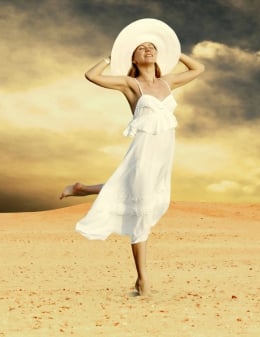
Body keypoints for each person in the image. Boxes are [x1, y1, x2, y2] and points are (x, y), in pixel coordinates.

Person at [60, 19, 204, 296]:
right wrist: (110, 57)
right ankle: (143, 279)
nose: (148, 49)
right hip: (144, 148)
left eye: (152, 47)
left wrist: (173, 51)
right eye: (142, 47)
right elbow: (92, 75)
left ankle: (82, 188)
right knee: (142, 207)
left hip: (165, 151)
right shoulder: (130, 83)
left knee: (145, 197)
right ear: (133, 58)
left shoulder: (168, 81)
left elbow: (199, 68)